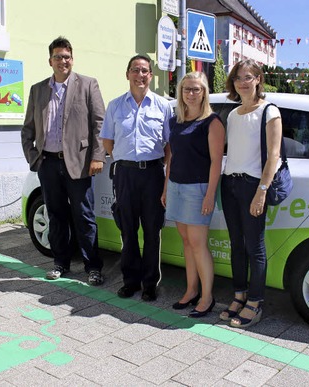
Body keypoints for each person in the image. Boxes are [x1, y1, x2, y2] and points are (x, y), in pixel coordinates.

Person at [21, 36, 106, 286]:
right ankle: (60, 262)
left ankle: (93, 267)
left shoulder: (87, 85)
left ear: (72, 59)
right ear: (50, 61)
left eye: (66, 57)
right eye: (57, 57)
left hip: (79, 163)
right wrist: (33, 157)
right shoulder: (38, 90)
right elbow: (27, 129)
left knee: (84, 215)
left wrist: (98, 156)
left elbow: (99, 124)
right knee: (55, 215)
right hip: (47, 163)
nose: (62, 61)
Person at [100, 54, 173, 301]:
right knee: (128, 230)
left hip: (152, 174)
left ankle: (150, 283)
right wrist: (125, 158)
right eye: (135, 70)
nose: (140, 75)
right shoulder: (115, 106)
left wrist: (158, 169)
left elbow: (169, 145)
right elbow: (107, 141)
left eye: (144, 71)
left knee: (152, 231)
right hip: (125, 174)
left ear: (150, 75)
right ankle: (130, 281)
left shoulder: (163, 106)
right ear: (127, 74)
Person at [220, 59, 282, 328]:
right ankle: (239, 295)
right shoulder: (233, 115)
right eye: (238, 78)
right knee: (236, 244)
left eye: (248, 77)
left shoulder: (270, 111)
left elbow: (274, 155)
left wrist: (262, 192)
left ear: (258, 79)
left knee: (254, 247)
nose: (243, 82)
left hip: (252, 185)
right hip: (230, 184)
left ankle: (255, 303)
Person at [162, 72, 225, 318]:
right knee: (187, 242)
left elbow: (216, 163)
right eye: (187, 89)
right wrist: (166, 187)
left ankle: (207, 297)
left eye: (196, 89)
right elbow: (172, 157)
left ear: (204, 92)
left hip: (198, 189)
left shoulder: (212, 122)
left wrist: (210, 195)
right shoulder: (175, 121)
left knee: (199, 244)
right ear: (180, 92)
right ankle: (191, 290)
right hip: (176, 186)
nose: (191, 93)